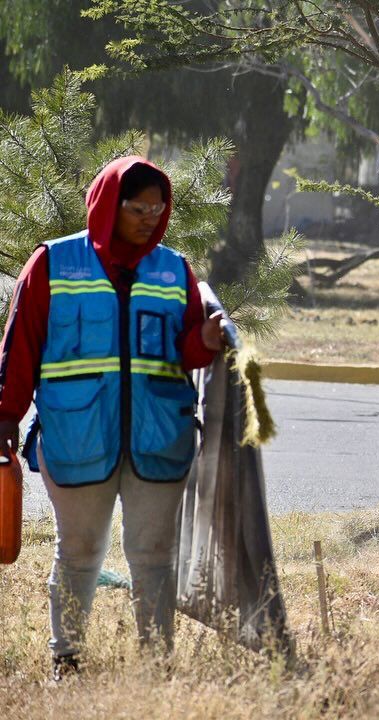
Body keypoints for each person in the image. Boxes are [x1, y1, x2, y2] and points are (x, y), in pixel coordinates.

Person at [0, 157, 225, 680]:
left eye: (157, 207)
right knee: (78, 552)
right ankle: (67, 661)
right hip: (77, 436)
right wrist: (6, 416)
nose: (151, 217)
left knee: (152, 555)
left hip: (159, 439)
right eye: (137, 207)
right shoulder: (52, 264)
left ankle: (156, 667)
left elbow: (188, 349)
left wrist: (205, 341)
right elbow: (21, 347)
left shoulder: (174, 270)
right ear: (108, 204)